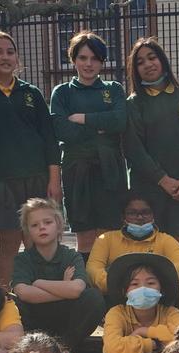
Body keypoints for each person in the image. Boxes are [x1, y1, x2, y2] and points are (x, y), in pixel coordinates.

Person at [0, 30, 61, 288]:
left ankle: (43, 294)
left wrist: (54, 180)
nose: (5, 57)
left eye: (10, 52)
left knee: (38, 240)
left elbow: (49, 139)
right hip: (1, 182)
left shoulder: (31, 93)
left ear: (17, 58)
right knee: (9, 243)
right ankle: (5, 297)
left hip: (36, 179)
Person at [123, 37, 179, 267]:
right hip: (149, 187)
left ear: (163, 60)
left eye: (152, 57)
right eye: (140, 62)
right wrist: (162, 180)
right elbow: (134, 149)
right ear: (135, 70)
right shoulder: (133, 104)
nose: (148, 64)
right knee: (152, 247)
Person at [50, 31, 127, 260]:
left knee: (109, 235)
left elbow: (120, 121)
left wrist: (82, 118)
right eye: (83, 58)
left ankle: (109, 282)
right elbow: (62, 130)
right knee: (84, 237)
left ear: (102, 61)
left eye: (94, 58)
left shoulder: (113, 89)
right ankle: (85, 281)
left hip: (109, 169)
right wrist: (101, 127)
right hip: (77, 171)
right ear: (73, 59)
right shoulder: (62, 93)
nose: (88, 64)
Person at [10, 198, 105, 351]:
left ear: (59, 225)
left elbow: (76, 289)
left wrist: (39, 283)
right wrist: (64, 288)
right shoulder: (23, 259)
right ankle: (33, 348)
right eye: (34, 225)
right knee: (13, 302)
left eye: (47, 222)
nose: (42, 227)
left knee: (94, 297)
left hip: (67, 317)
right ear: (27, 231)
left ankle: (65, 349)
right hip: (34, 316)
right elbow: (24, 293)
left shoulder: (71, 256)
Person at [86, 193, 179, 298]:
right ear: (123, 217)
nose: (140, 217)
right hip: (117, 296)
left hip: (156, 297)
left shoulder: (166, 240)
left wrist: (153, 284)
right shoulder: (106, 239)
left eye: (145, 212)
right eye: (132, 213)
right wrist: (123, 285)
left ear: (153, 216)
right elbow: (92, 269)